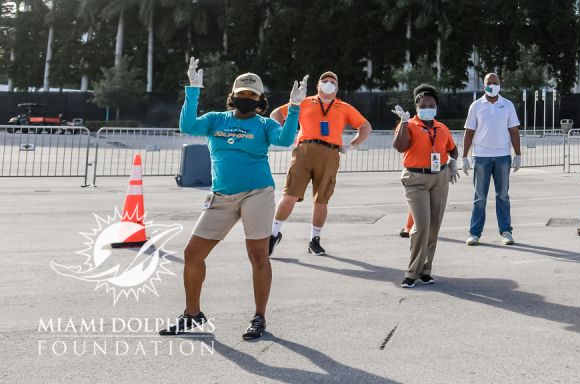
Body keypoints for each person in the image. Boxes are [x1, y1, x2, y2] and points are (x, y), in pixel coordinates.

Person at [162, 58, 304, 341]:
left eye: (252, 95)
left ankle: (259, 317)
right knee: (193, 253)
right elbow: (188, 125)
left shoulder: (264, 124)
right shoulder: (216, 119)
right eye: (242, 94)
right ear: (233, 96)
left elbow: (286, 139)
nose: (246, 99)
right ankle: (192, 314)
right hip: (222, 196)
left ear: (260, 99)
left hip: (257, 193)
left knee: (258, 255)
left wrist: (294, 108)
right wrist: (193, 90)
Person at [268, 71, 371, 257]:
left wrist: (352, 146)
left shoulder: (344, 107)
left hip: (330, 153)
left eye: (333, 81)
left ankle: (314, 240)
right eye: (325, 81)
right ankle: (273, 234)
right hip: (304, 151)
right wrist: (286, 135)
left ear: (337, 87)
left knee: (321, 200)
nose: (329, 83)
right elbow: (276, 114)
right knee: (290, 195)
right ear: (318, 85)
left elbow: (365, 127)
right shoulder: (305, 101)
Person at [393, 84, 459, 288]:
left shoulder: (442, 128)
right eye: (424, 105)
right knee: (421, 226)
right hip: (416, 179)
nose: (428, 107)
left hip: (439, 179)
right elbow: (400, 146)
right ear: (417, 106)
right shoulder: (409, 124)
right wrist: (403, 124)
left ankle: (426, 270)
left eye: (431, 105)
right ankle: (412, 272)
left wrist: (452, 162)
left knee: (434, 227)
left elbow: (452, 149)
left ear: (436, 107)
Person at [462, 72, 522, 246]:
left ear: (500, 84)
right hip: (481, 157)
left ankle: (506, 231)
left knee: (503, 195)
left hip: (503, 156)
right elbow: (469, 133)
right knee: (480, 197)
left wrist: (517, 154)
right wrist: (464, 156)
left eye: (495, 82)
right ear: (484, 85)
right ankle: (474, 233)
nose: (493, 85)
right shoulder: (476, 106)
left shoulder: (508, 105)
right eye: (489, 83)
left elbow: (514, 131)